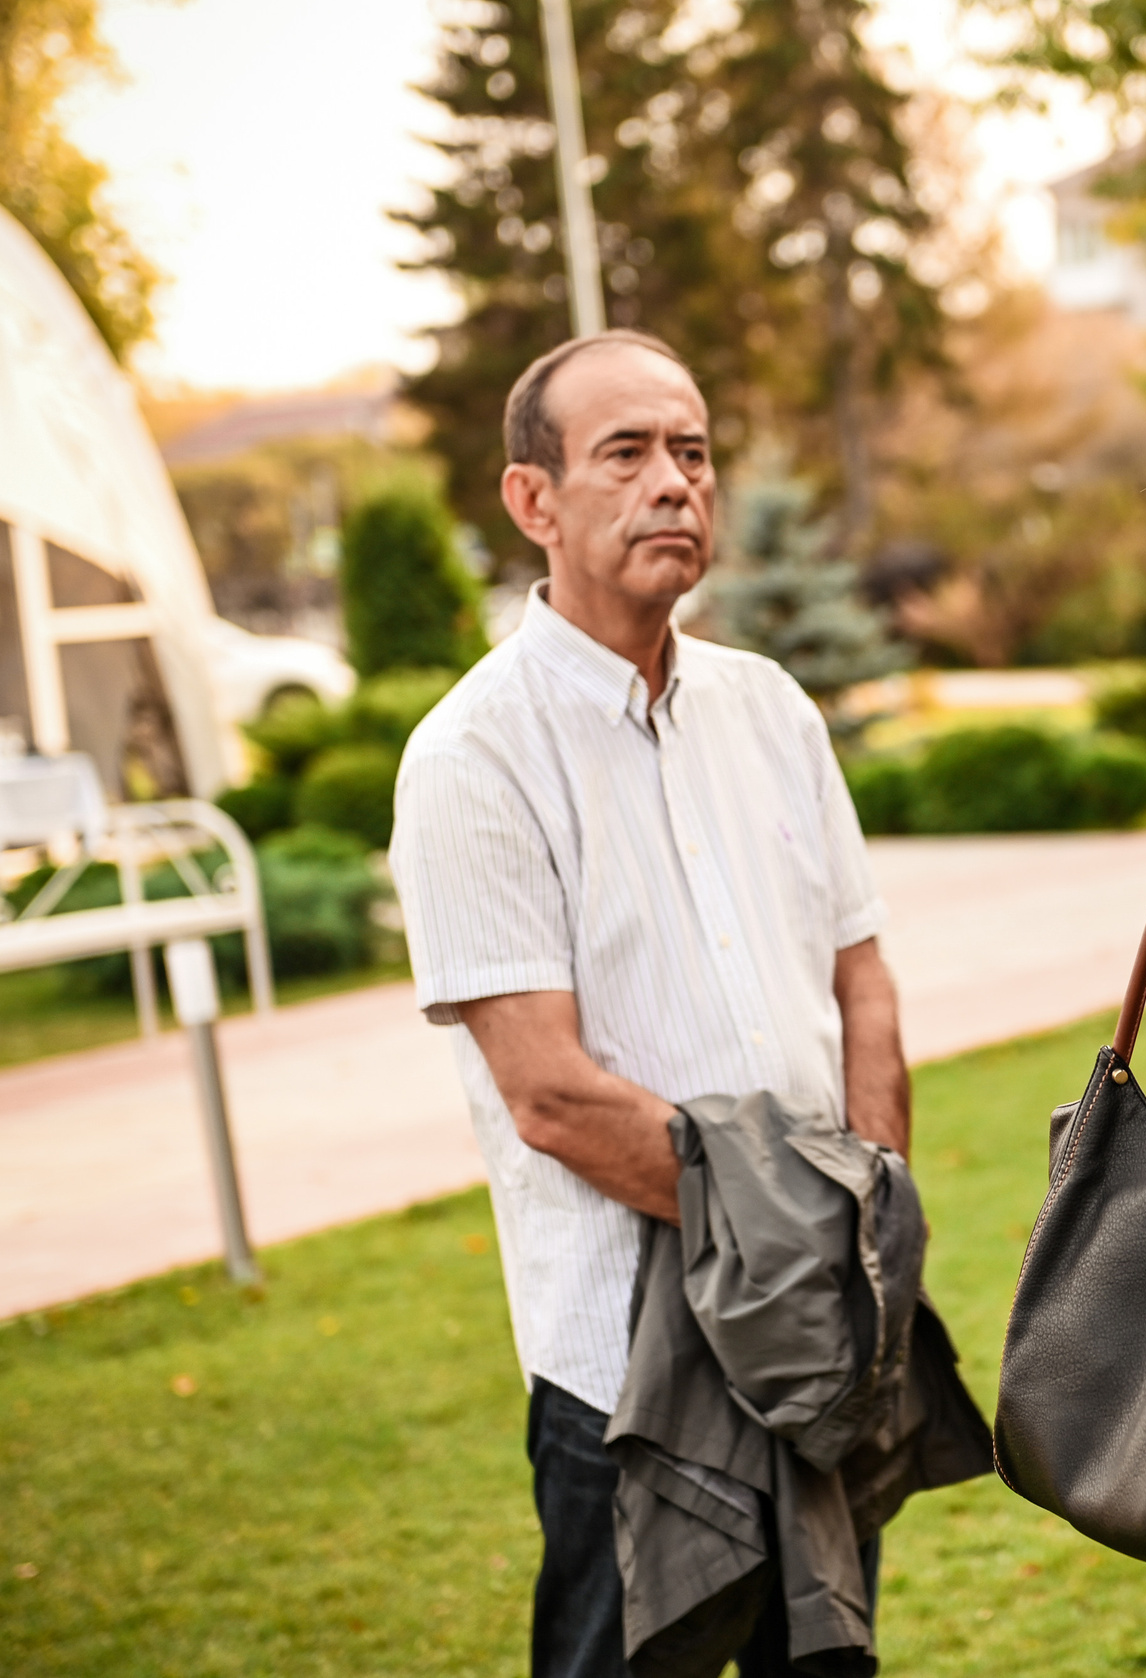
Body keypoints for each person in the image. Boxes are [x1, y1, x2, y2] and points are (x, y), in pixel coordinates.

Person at [388, 329, 911, 1678]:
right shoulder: (471, 757)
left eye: (692, 450)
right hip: (625, 1360)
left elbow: (860, 979)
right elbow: (550, 1096)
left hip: (811, 1326)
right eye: (625, 453)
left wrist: (864, 1213)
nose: (674, 481)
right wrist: (807, 1226)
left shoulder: (774, 710)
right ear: (533, 501)